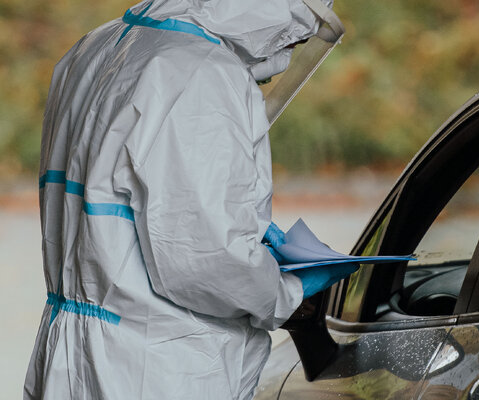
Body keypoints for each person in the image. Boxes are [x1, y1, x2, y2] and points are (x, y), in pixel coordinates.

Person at [24, 0, 354, 399]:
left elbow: (118, 204)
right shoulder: (200, 73)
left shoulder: (97, 47)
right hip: (159, 366)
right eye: (296, 34)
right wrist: (287, 291)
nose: (288, 54)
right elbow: (204, 260)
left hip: (74, 352)